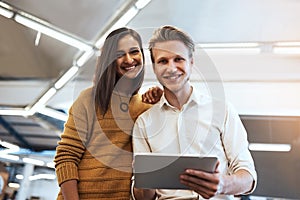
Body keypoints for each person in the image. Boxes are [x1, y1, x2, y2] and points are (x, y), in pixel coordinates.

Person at [132, 25, 257, 200]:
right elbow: (143, 197)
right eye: (163, 61)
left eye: (178, 59)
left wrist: (222, 184)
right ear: (154, 67)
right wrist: (143, 180)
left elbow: (248, 178)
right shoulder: (144, 123)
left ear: (191, 62)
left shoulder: (223, 111)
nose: (171, 68)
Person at [54, 27, 162, 200]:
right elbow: (66, 156)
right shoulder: (89, 99)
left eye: (134, 51)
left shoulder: (146, 106)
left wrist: (162, 101)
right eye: (120, 54)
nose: (129, 59)